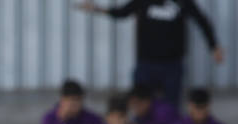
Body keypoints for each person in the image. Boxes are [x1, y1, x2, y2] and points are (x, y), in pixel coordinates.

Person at [76, 0, 224, 107]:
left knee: (170, 109)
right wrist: (97, 9)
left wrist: (214, 47)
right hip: (146, 64)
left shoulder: (182, 2)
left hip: (172, 65)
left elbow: (202, 22)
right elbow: (122, 12)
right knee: (140, 104)